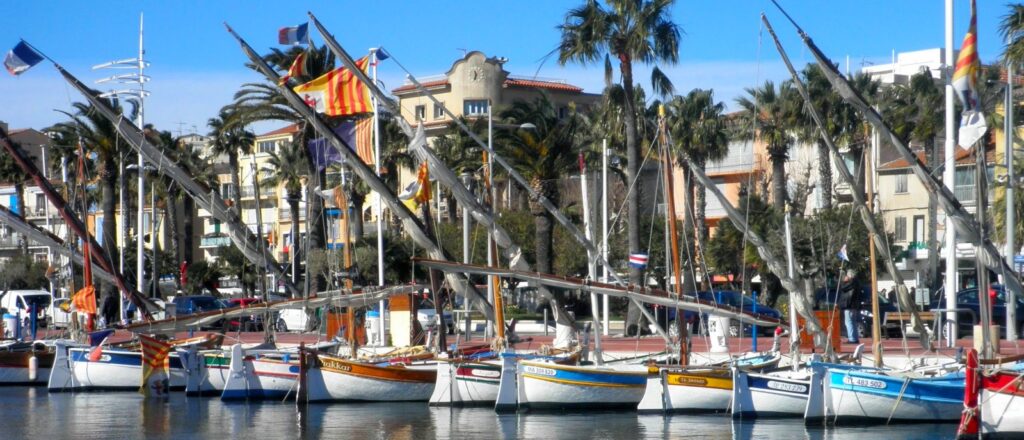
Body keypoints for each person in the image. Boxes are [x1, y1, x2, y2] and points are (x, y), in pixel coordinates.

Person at [837, 269, 863, 344]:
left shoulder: (852, 282)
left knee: (849, 322)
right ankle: (854, 338)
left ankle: (852, 339)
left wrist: (844, 281)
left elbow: (843, 288)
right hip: (853, 305)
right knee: (852, 322)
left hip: (849, 305)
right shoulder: (856, 282)